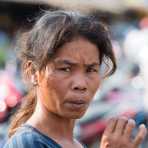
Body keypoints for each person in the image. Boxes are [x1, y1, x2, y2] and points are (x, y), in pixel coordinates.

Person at [4, 10, 147, 148]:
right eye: (65, 69)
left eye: (91, 70)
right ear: (33, 72)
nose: (80, 84)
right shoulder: (27, 143)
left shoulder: (75, 144)